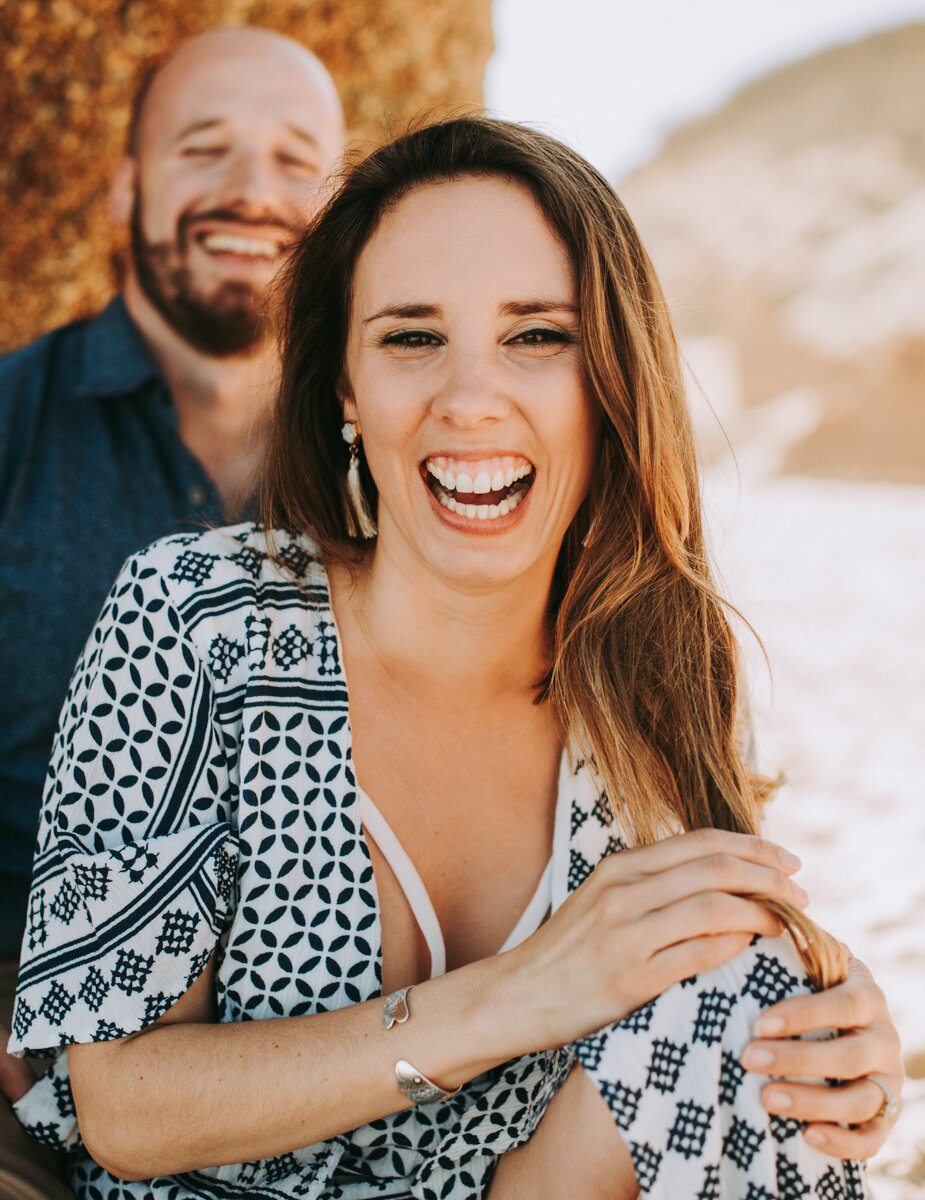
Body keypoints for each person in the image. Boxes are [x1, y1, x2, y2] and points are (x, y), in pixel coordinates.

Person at [9, 117, 901, 1199]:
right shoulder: (197, 618)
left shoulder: (649, 685)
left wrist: (837, 1034)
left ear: (610, 380)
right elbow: (123, 1108)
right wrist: (518, 993)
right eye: (411, 337)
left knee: (754, 1005)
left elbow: (701, 1014)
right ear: (344, 387)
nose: (470, 400)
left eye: (536, 336)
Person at [0, 26, 346, 993]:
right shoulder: (8, 429)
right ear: (124, 189)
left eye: (294, 159)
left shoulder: (408, 465)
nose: (251, 189)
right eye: (204, 147)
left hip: (335, 1050)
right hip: (25, 1026)